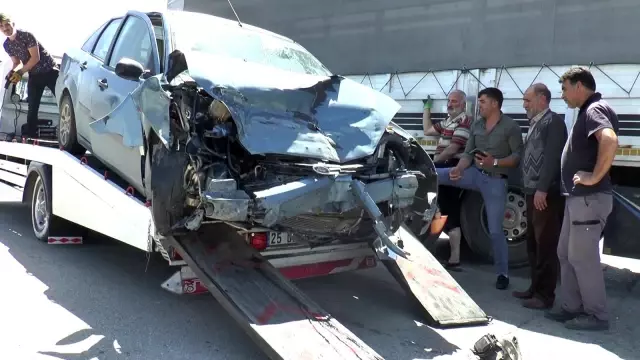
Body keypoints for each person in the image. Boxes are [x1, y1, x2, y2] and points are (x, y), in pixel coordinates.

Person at [545, 67, 619, 331]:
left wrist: (594, 177)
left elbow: (609, 140)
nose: (562, 95)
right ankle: (571, 307)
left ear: (579, 86)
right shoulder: (586, 110)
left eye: (564, 89)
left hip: (589, 198)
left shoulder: (593, 109)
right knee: (565, 254)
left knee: (583, 258)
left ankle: (596, 316)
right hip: (576, 200)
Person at [435, 87, 524, 290]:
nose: (479, 105)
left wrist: (495, 162)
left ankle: (502, 273)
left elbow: (517, 158)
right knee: (434, 174)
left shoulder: (510, 127)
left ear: (495, 103)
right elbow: (467, 153)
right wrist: (458, 169)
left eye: (483, 101)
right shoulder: (477, 125)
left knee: (495, 231)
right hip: (473, 174)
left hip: (495, 181)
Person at [511, 83, 567, 309]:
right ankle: (534, 288)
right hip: (532, 192)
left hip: (545, 194)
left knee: (545, 244)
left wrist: (542, 188)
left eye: (528, 100)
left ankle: (545, 296)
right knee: (533, 244)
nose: (524, 105)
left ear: (542, 99)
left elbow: (553, 158)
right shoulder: (535, 123)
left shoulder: (553, 122)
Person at [422, 91, 472, 270]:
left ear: (463, 104)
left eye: (455, 101)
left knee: (449, 209)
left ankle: (454, 258)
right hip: (444, 166)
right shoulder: (449, 121)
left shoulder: (463, 121)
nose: (451, 104)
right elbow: (427, 131)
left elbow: (453, 148)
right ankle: (449, 255)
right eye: (449, 101)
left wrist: (433, 164)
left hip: (450, 166)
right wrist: (426, 109)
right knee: (441, 207)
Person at [1, 13, 58, 138]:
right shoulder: (6, 45)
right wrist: (12, 72)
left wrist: (20, 72)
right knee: (32, 108)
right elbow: (16, 62)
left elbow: (35, 58)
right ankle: (30, 138)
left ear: (13, 24)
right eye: (1, 26)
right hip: (34, 75)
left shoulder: (27, 35)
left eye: (7, 24)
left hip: (50, 71)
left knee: (63, 102)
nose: (5, 28)